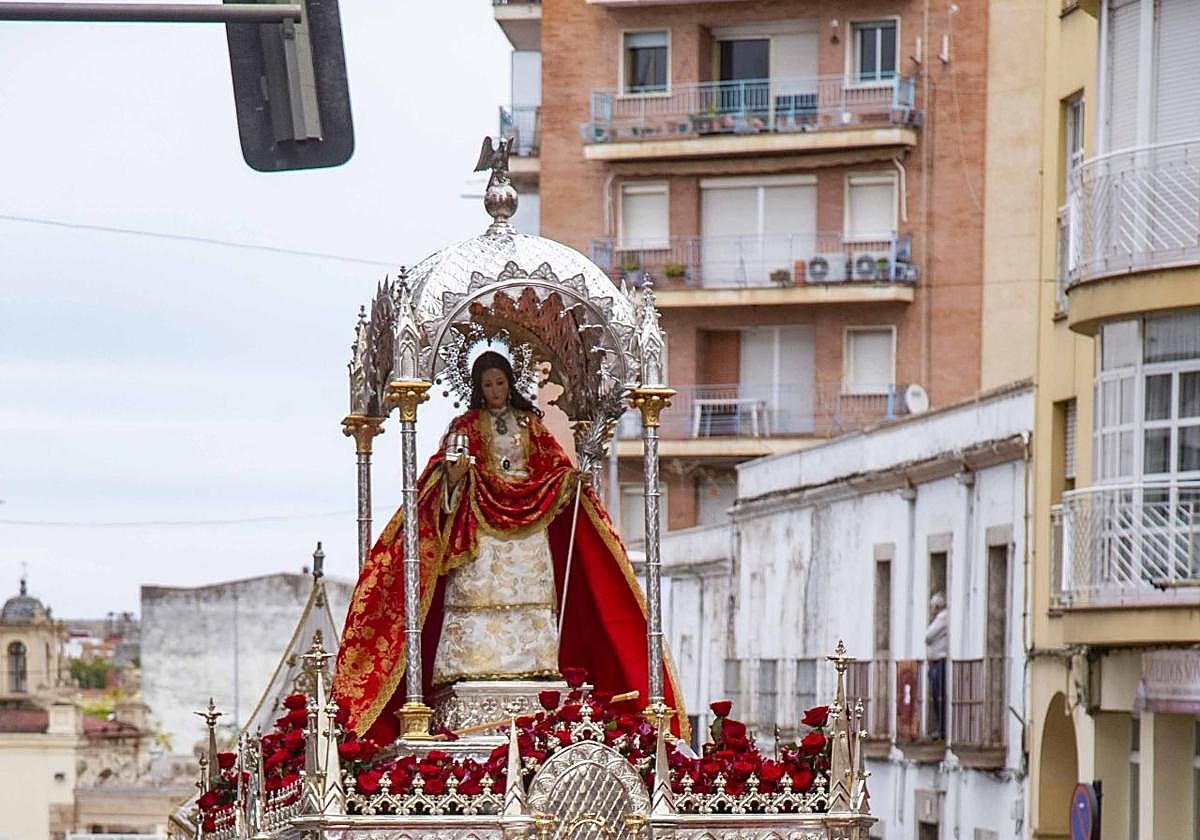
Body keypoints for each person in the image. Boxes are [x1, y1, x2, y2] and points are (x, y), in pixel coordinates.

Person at [333, 351, 685, 744]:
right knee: (478, 591)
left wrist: (568, 480)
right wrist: (456, 474)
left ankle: (534, 665)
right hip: (482, 526)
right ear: (478, 388)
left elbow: (552, 465)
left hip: (529, 527)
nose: (495, 390)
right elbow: (443, 478)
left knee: (530, 594)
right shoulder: (465, 426)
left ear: (510, 383)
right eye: (488, 384)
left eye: (500, 382)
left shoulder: (529, 423)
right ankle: (470, 668)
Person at [925, 591, 948, 739]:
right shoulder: (940, 618)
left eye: (932, 606)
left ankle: (941, 728)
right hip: (935, 663)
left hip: (940, 663)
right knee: (936, 696)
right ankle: (939, 727)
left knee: (938, 696)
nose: (931, 610)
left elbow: (928, 636)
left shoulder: (943, 617)